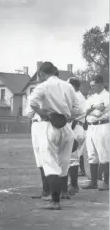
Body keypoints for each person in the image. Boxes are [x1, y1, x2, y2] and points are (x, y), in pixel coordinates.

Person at [29, 62, 83, 210]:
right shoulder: (68, 86)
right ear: (54, 71)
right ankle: (60, 194)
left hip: (49, 125)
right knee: (64, 162)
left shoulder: (43, 86)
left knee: (50, 162)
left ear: (41, 73)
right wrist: (66, 117)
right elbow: (78, 110)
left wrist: (43, 114)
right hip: (65, 127)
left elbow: (31, 103)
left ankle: (55, 201)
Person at [81, 75, 109, 191]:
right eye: (91, 86)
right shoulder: (92, 97)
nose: (92, 88)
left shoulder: (107, 96)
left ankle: (105, 182)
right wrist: (93, 108)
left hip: (102, 125)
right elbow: (84, 112)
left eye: (94, 85)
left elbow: (99, 112)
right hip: (91, 128)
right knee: (91, 155)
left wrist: (90, 110)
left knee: (104, 154)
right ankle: (93, 183)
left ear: (100, 84)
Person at [27, 88, 50, 200]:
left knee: (46, 155)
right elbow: (29, 114)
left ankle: (50, 190)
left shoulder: (48, 100)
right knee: (39, 158)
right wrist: (36, 107)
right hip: (35, 126)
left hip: (45, 124)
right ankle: (45, 190)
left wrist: (38, 108)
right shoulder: (32, 100)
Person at [67, 77, 88, 195]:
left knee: (72, 157)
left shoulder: (78, 96)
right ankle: (72, 184)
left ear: (74, 86)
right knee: (72, 156)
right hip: (76, 127)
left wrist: (73, 122)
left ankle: (74, 185)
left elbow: (81, 113)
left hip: (77, 127)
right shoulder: (76, 95)